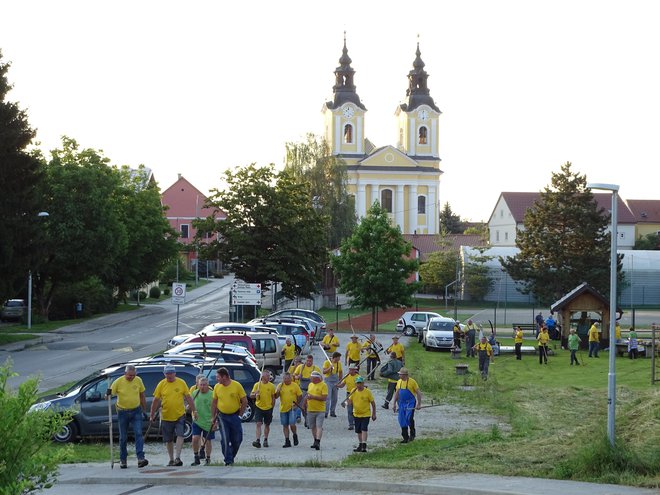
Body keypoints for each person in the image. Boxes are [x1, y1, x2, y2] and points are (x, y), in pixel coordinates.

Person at [150, 364, 198, 467]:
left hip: (180, 414)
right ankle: (171, 459)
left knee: (180, 435)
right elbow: (156, 400)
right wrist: (152, 414)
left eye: (171, 373)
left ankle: (178, 457)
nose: (169, 375)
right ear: (164, 374)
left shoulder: (181, 383)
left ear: (175, 373)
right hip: (166, 415)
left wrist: (194, 410)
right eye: (167, 374)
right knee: (168, 439)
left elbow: (188, 397)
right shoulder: (161, 384)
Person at [108, 364, 148, 469]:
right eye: (129, 375)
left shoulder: (138, 380)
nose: (131, 377)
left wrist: (144, 410)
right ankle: (123, 459)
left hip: (136, 411)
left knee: (139, 434)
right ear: (125, 373)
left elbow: (142, 395)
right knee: (123, 437)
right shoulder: (118, 382)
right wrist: (107, 393)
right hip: (122, 412)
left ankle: (140, 458)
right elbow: (109, 394)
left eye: (133, 375)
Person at [211, 367, 247, 466]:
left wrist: (240, 414)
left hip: (235, 416)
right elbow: (214, 403)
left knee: (237, 439)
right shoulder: (217, 387)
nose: (217, 379)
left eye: (218, 377)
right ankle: (228, 460)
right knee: (225, 439)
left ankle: (231, 455)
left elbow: (244, 401)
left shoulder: (236, 385)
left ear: (225, 377)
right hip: (222, 417)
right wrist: (213, 417)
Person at [392, 368, 422, 443]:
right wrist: (394, 404)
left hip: (410, 402)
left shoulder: (412, 382)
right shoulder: (399, 382)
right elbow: (397, 393)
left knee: (409, 418)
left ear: (405, 375)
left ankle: (412, 433)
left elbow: (418, 393)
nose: (399, 375)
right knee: (402, 419)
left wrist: (419, 404)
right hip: (401, 403)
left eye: (400, 374)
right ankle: (405, 437)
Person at [347, 376, 376, 452]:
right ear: (356, 384)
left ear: (363, 383)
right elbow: (350, 402)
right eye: (357, 383)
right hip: (356, 414)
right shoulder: (353, 391)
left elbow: (373, 403)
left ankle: (364, 445)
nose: (359, 385)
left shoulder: (367, 392)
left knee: (364, 428)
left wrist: (374, 414)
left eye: (360, 383)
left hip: (366, 414)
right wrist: (346, 402)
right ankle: (360, 444)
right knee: (358, 430)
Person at [190, 376, 215, 465]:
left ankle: (208, 458)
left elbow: (216, 407)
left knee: (207, 440)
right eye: (201, 385)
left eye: (204, 385)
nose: (202, 387)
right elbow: (190, 403)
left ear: (207, 385)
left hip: (209, 421)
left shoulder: (212, 394)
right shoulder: (194, 393)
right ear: (198, 385)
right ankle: (196, 456)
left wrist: (215, 420)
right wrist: (192, 410)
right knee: (195, 438)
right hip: (197, 420)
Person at [275, 372, 302, 447]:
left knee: (292, 423)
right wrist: (277, 392)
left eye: (287, 378)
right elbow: (276, 396)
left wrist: (297, 404)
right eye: (285, 379)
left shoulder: (295, 385)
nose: (286, 380)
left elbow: (300, 395)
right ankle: (287, 440)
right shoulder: (280, 385)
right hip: (283, 408)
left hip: (292, 408)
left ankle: (294, 434)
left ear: (290, 379)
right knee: (285, 425)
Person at [250, 371, 276, 448]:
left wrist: (272, 407)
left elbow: (273, 398)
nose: (269, 377)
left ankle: (265, 439)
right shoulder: (257, 385)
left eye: (269, 376)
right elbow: (251, 396)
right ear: (263, 377)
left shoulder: (271, 386)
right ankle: (258, 440)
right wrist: (255, 394)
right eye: (268, 376)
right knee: (258, 423)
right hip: (259, 407)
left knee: (267, 424)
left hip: (268, 408)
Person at [293, 354, 320, 428]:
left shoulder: (315, 369)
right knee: (302, 406)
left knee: (310, 406)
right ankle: (306, 418)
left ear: (312, 361)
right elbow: (294, 375)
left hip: (312, 391)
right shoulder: (300, 367)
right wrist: (297, 376)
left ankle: (309, 422)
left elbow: (320, 379)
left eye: (310, 361)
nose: (308, 362)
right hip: (302, 390)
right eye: (307, 361)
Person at [304, 370, 328, 450]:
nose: (310, 379)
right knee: (312, 426)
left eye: (312, 378)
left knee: (319, 426)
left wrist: (313, 397)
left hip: (320, 410)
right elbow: (308, 395)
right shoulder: (310, 385)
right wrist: (304, 403)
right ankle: (315, 440)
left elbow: (324, 398)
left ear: (316, 378)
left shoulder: (323, 385)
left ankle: (318, 441)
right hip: (310, 409)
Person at [338, 364, 360, 430]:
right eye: (349, 369)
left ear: (354, 370)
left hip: (356, 394)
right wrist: (338, 385)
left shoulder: (358, 377)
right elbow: (342, 385)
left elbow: (360, 386)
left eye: (352, 369)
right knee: (349, 410)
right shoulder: (347, 376)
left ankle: (357, 423)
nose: (350, 371)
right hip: (348, 395)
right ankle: (351, 424)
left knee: (356, 409)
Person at [322, 351, 343, 418]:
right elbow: (324, 372)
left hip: (335, 382)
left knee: (335, 398)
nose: (339, 359)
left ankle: (332, 411)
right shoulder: (327, 362)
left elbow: (340, 372)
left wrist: (340, 381)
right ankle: (325, 412)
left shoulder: (339, 363)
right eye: (338, 358)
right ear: (335, 357)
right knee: (328, 398)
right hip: (328, 382)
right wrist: (329, 368)